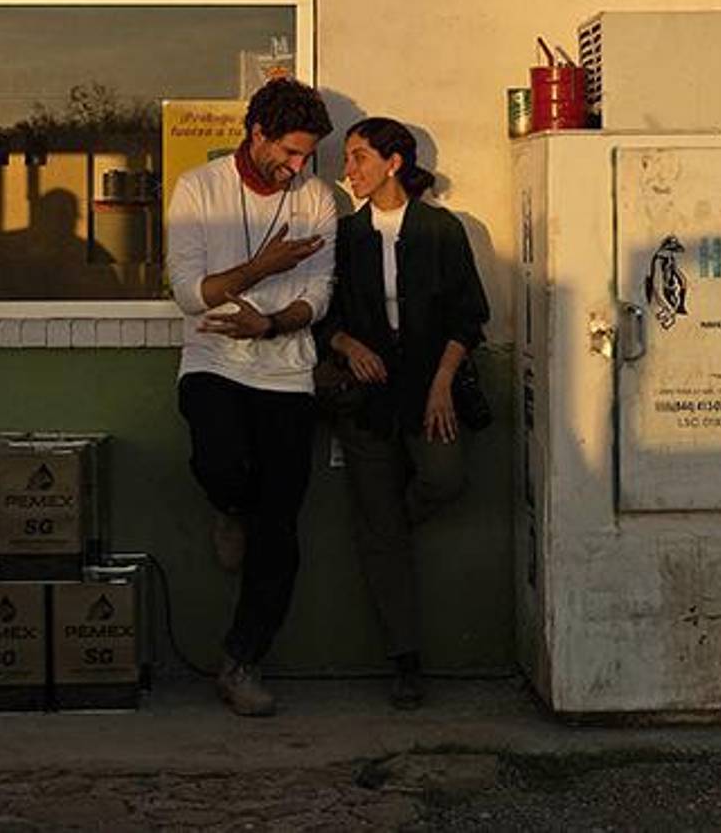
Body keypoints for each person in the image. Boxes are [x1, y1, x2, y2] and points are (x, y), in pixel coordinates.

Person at [164, 77, 338, 717]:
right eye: (289, 152)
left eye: (306, 156)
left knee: (279, 528)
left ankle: (242, 661)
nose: (296, 167)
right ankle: (228, 505)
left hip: (286, 371)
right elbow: (189, 293)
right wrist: (260, 269)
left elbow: (319, 293)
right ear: (256, 132)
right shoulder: (198, 189)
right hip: (212, 359)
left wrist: (269, 323)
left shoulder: (316, 197)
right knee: (221, 464)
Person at [318, 117, 490, 709]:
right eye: (347, 158)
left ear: (394, 163)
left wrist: (442, 385)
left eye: (359, 157)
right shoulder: (346, 234)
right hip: (365, 399)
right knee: (380, 535)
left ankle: (388, 528)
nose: (349, 170)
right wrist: (349, 345)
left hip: (427, 387)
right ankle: (405, 661)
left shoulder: (441, 229)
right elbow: (323, 313)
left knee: (444, 478)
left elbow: (469, 316)